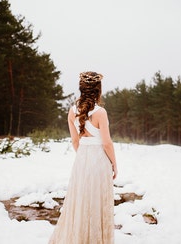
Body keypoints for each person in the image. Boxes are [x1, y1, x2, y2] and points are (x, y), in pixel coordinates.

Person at [48, 71, 118, 244]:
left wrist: (83, 158)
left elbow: (75, 140)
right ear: (98, 90)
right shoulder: (101, 112)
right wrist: (114, 164)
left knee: (80, 201)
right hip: (99, 160)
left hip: (81, 160)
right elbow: (107, 143)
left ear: (82, 89)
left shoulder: (72, 112)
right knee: (96, 202)